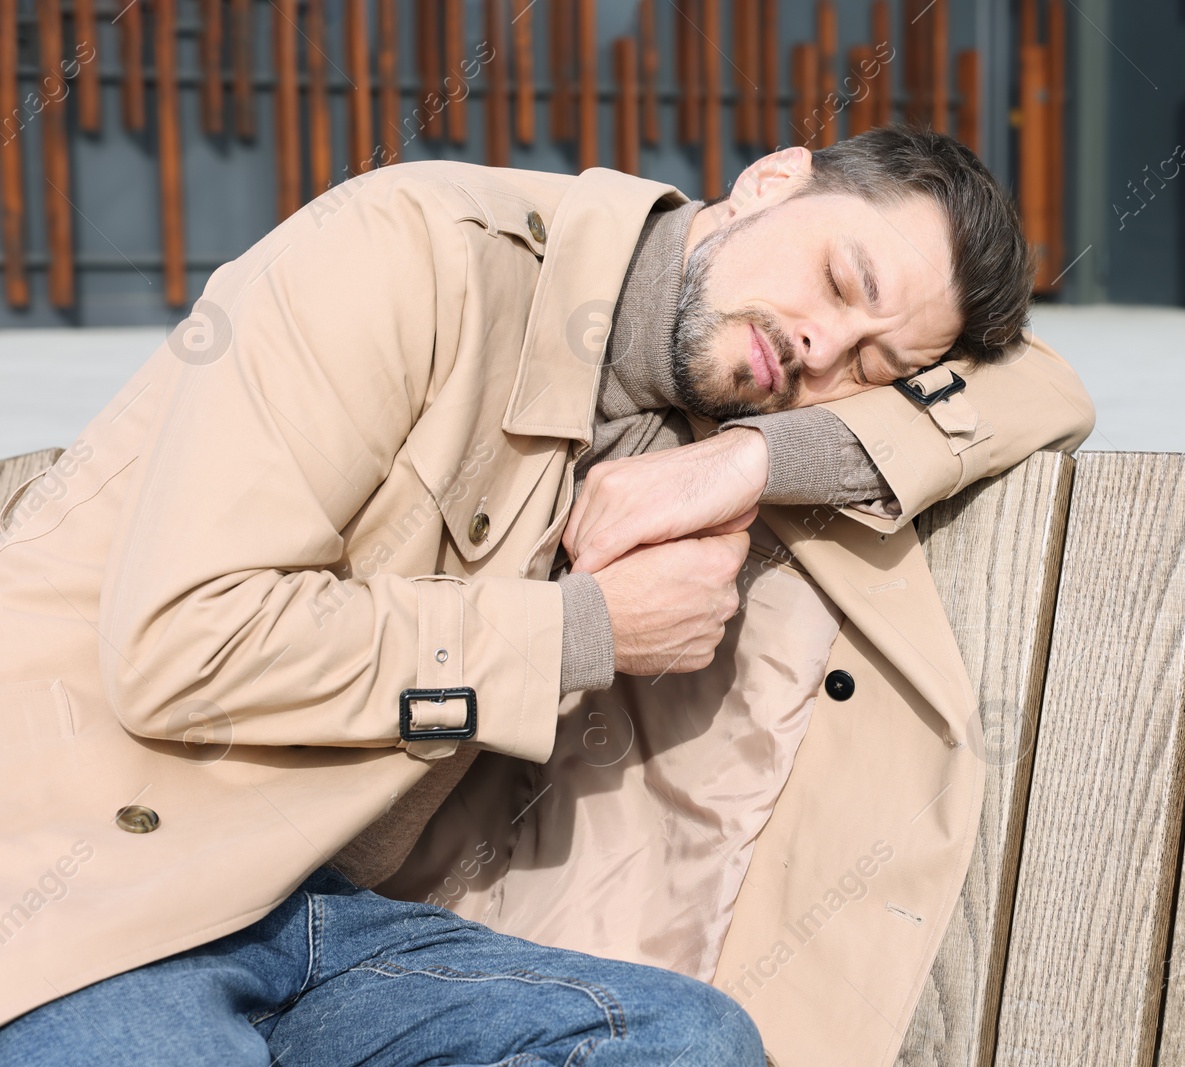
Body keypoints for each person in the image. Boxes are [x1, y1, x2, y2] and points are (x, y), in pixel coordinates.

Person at [0, 126, 1094, 1066]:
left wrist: (749, 460)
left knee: (683, 1040)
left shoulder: (719, 400)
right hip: (89, 888)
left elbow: (1040, 385)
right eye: (841, 282)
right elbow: (186, 646)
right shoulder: (410, 248)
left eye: (870, 364)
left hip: (324, 916)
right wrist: (588, 628)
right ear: (770, 179)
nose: (821, 345)